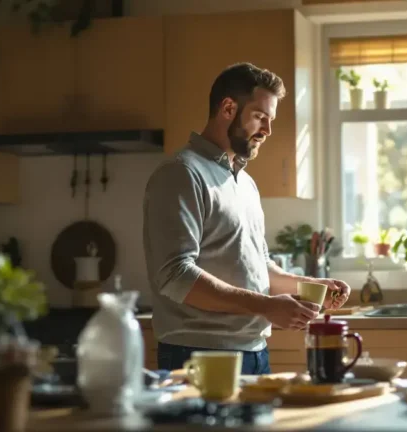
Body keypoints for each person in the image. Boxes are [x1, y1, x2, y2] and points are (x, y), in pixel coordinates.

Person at [143, 62, 351, 375]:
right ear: (228, 108)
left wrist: (309, 284)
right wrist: (267, 306)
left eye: (270, 120)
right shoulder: (181, 174)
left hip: (255, 352)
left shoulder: (245, 183)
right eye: (260, 117)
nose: (267, 130)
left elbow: (258, 266)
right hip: (198, 354)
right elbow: (176, 275)